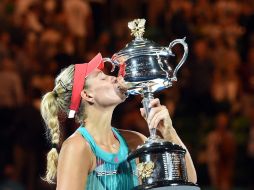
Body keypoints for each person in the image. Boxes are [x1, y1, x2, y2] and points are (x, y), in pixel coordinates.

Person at [40, 53, 197, 189]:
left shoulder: (135, 141)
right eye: (103, 78)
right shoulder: (78, 147)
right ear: (87, 95)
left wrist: (169, 132)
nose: (115, 78)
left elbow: (188, 180)